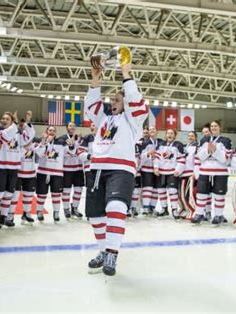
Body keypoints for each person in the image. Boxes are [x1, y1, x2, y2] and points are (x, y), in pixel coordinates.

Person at [84, 62, 148, 276]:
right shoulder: (104, 118)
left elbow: (136, 100)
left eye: (117, 99)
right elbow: (91, 105)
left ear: (126, 103)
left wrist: (126, 74)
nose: (113, 102)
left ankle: (112, 253)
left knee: (116, 208)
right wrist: (95, 78)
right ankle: (103, 250)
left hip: (121, 170)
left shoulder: (133, 120)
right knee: (94, 215)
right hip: (97, 169)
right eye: (111, 99)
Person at [0, 112, 27, 229]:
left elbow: (24, 145)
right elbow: (4, 137)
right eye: (3, 118)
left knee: (9, 194)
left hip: (14, 168)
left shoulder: (17, 134)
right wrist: (14, 124)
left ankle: (3, 217)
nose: (4, 120)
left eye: (7, 119)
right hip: (0, 167)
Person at [192, 120, 232, 225]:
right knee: (201, 193)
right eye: (212, 126)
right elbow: (199, 157)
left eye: (215, 126)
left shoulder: (226, 141)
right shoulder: (204, 140)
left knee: (219, 194)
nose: (213, 128)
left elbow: (225, 159)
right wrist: (208, 151)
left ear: (220, 128)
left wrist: (215, 151)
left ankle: (218, 215)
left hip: (220, 173)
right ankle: (199, 214)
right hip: (205, 171)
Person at [34, 126, 75, 222]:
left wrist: (71, 146)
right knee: (41, 194)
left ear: (56, 133)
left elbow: (71, 152)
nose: (51, 132)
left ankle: (56, 212)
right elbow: (39, 153)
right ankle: (39, 211)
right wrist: (45, 142)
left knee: (56, 194)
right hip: (43, 172)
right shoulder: (42, 141)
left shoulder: (61, 143)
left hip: (57, 173)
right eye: (50, 130)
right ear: (46, 132)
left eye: (53, 131)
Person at [7, 112, 36, 225]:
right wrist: (24, 148)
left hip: (30, 173)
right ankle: (10, 216)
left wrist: (28, 120)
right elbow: (14, 154)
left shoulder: (34, 140)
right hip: (17, 172)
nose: (23, 126)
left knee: (28, 195)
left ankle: (26, 214)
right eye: (21, 124)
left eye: (25, 125)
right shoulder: (14, 138)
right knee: (14, 196)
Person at [153, 128, 185, 218]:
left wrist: (178, 169)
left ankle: (174, 209)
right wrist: (156, 167)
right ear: (165, 135)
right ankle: (164, 209)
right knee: (161, 191)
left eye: (171, 133)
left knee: (172, 191)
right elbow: (157, 157)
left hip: (172, 172)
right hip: (161, 171)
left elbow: (181, 159)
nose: (169, 135)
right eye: (168, 133)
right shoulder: (160, 145)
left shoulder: (178, 145)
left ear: (174, 135)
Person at [59, 122, 84, 219]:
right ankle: (66, 209)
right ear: (67, 128)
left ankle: (75, 208)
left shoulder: (79, 138)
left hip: (78, 168)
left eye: (74, 125)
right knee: (66, 190)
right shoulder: (61, 139)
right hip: (67, 169)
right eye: (70, 126)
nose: (72, 127)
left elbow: (81, 151)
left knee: (78, 189)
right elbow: (63, 152)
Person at [140, 126, 163, 215]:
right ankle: (146, 207)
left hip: (158, 169)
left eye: (154, 129)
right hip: (147, 168)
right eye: (150, 130)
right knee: (147, 188)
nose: (152, 131)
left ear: (157, 131)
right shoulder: (144, 142)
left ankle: (152, 207)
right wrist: (148, 154)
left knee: (156, 189)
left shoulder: (161, 142)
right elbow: (141, 156)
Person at [179, 131, 199, 219]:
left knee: (190, 194)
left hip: (191, 173)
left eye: (192, 136)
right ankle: (186, 210)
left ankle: (194, 211)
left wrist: (196, 172)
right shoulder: (185, 146)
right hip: (183, 173)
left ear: (196, 137)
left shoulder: (197, 147)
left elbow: (197, 161)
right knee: (183, 194)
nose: (190, 137)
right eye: (189, 136)